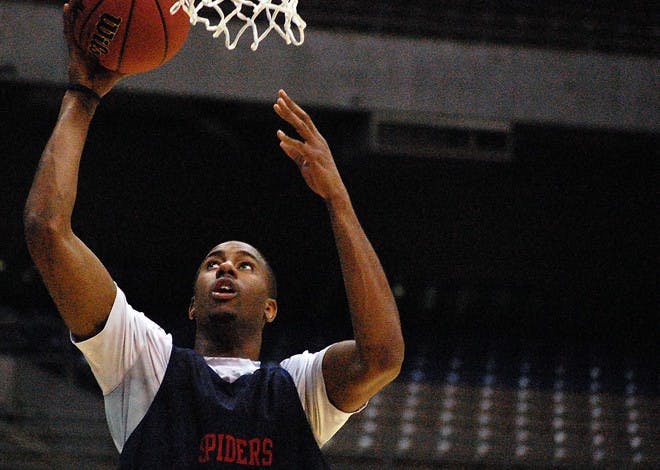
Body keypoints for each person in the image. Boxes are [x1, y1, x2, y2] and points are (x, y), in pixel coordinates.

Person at [23, 2, 404, 468]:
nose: (225, 265)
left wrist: (338, 199)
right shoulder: (144, 365)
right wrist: (82, 96)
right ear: (192, 304)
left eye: (246, 265)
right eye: (212, 263)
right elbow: (47, 231)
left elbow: (383, 356)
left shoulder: (298, 389)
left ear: (270, 309)